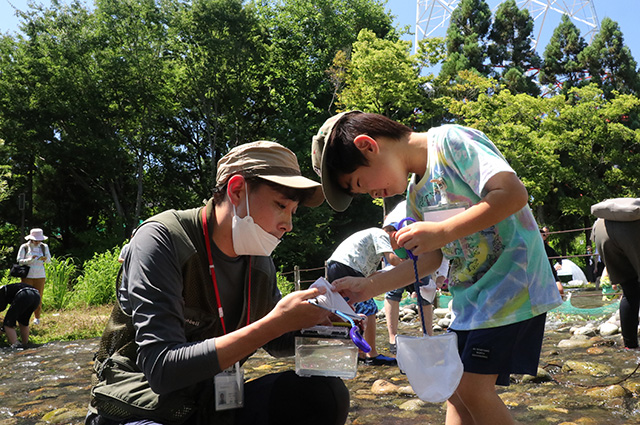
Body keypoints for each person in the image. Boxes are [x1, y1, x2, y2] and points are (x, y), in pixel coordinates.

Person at [311, 111, 563, 425]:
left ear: (368, 146)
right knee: (454, 388)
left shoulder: (452, 143)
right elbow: (430, 259)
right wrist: (369, 286)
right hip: (470, 300)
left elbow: (512, 193)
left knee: (472, 389)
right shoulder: (416, 194)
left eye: (362, 184)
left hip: (513, 287)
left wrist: (443, 232)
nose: (373, 196)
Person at [85, 141, 350, 425]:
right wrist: (277, 321)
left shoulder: (259, 260)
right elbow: (162, 370)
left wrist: (326, 324)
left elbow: (276, 339)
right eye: (280, 205)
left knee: (324, 395)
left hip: (214, 402)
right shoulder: (162, 240)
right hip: (143, 406)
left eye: (293, 211)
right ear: (237, 191)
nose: (288, 224)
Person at [326, 226, 401, 366]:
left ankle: (358, 353)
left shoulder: (371, 247)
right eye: (398, 245)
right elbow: (393, 260)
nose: (396, 249)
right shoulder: (381, 234)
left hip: (339, 265)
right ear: (394, 234)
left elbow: (370, 277)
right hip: (347, 266)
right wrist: (412, 265)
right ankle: (371, 355)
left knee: (352, 309)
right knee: (369, 308)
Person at [593, 216, 640, 349]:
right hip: (629, 230)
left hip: (601, 229)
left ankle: (630, 346)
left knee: (630, 292)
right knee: (632, 291)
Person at [16, 228, 51, 325]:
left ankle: (37, 317)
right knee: (26, 296)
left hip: (40, 275)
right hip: (27, 275)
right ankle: (23, 316)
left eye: (39, 240)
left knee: (38, 296)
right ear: (31, 239)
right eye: (36, 240)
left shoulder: (44, 247)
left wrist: (44, 259)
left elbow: (49, 260)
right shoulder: (25, 247)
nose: (37, 242)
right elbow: (19, 260)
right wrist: (30, 260)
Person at [0, 282, 41, 348]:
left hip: (24, 294)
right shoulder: (6, 289)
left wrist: (3, 328)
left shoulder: (1, 291)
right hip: (36, 295)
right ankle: (25, 344)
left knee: (8, 323)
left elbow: (2, 307)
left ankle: (16, 346)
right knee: (23, 321)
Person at [540, 226, 564, 295]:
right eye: (543, 234)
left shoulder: (548, 249)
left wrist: (559, 264)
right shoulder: (532, 248)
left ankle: (560, 304)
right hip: (539, 273)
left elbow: (558, 257)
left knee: (560, 290)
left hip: (550, 272)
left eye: (545, 234)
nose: (544, 235)